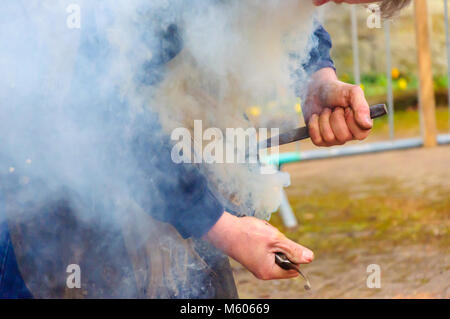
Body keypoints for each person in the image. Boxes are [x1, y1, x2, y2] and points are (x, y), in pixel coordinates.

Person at [0, 0, 411, 298]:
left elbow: (294, 15)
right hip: (36, 143)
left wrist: (316, 78)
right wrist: (223, 227)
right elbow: (109, 109)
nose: (319, 6)